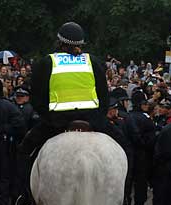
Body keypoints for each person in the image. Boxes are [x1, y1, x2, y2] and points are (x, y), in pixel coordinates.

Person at [19, 21, 130, 160]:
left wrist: (49, 119)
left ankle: (22, 182)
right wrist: (98, 120)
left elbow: (37, 98)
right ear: (81, 44)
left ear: (59, 42)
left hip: (56, 122)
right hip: (91, 120)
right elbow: (104, 96)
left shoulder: (47, 62)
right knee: (126, 150)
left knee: (23, 152)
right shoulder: (93, 62)